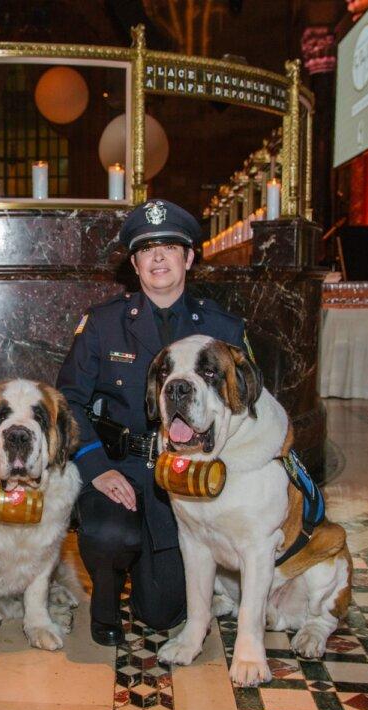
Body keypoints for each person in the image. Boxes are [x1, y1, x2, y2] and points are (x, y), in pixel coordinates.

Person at [56, 199, 247, 646]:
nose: (158, 257)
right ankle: (105, 598)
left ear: (189, 258)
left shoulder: (222, 329)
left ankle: (151, 575)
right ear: (136, 264)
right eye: (146, 250)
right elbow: (68, 402)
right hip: (119, 468)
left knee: (161, 615)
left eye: (169, 247)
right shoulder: (104, 324)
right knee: (110, 534)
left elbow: (245, 405)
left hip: (189, 475)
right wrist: (95, 467)